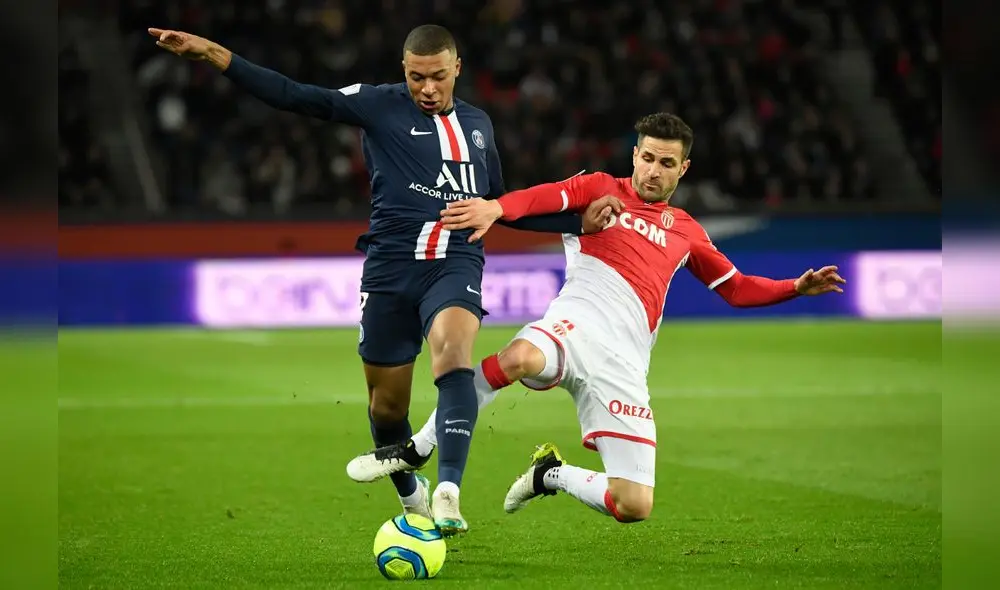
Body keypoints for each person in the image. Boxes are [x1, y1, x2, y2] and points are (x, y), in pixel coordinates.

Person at [148, 23, 617, 535]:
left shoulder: (479, 127)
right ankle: (411, 494)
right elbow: (294, 96)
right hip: (390, 269)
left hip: (454, 262)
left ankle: (448, 492)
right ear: (404, 71)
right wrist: (214, 53)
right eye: (417, 77)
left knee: (453, 356)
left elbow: (498, 206)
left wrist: (574, 222)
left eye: (438, 76)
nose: (428, 89)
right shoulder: (376, 104)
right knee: (385, 405)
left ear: (457, 68)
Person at [345, 112, 846, 524]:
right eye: (646, 157)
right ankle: (420, 446)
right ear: (635, 154)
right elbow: (536, 199)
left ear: (683, 169)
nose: (652, 170)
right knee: (518, 357)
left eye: (665, 163)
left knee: (635, 505)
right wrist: (496, 207)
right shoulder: (599, 189)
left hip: (624, 364)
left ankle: (551, 475)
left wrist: (794, 288)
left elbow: (735, 288)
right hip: (574, 323)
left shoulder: (688, 232)